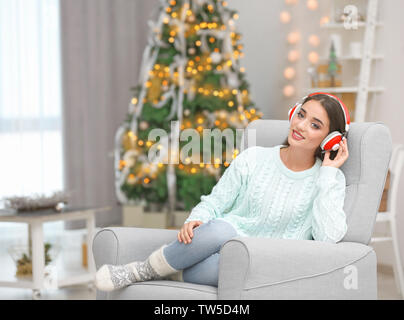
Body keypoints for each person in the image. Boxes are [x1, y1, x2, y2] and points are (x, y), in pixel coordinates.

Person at [95, 92, 350, 292]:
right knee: (220, 228)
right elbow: (215, 202)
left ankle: (169, 267)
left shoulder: (328, 180)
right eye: (301, 115)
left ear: (331, 139)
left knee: (228, 264)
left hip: (265, 263)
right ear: (293, 113)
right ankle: (143, 270)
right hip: (224, 242)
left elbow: (327, 240)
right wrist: (196, 220)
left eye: (315, 125)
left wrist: (327, 173)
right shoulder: (254, 158)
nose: (301, 125)